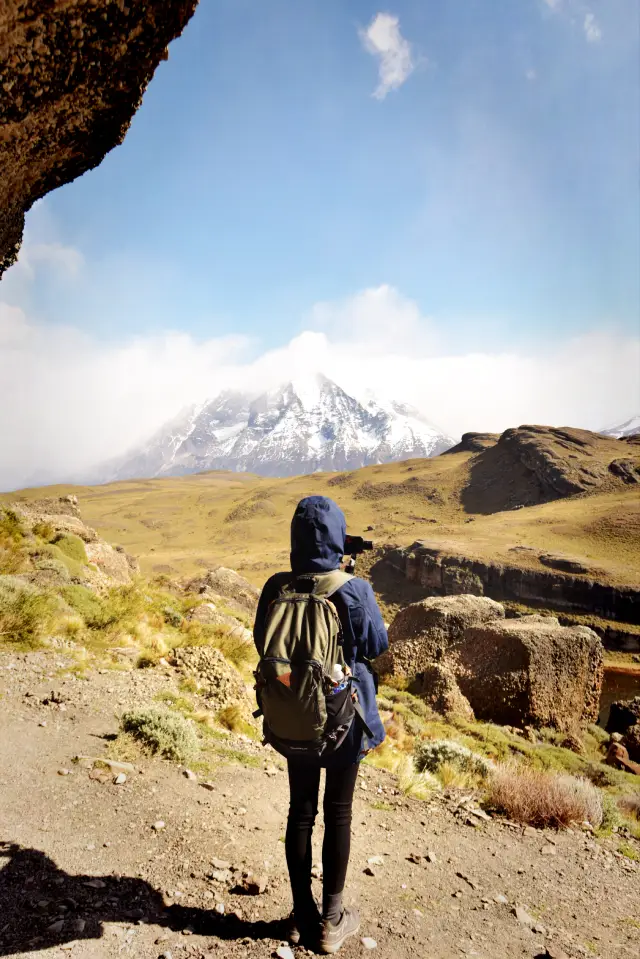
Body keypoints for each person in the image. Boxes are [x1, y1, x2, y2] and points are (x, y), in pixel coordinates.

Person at [253, 495, 389, 954]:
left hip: (295, 716)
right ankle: (331, 922)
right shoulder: (352, 588)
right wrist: (347, 573)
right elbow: (376, 644)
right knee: (339, 812)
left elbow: (262, 644)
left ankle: (302, 916)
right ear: (337, 537)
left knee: (301, 812)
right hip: (344, 719)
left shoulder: (276, 587)